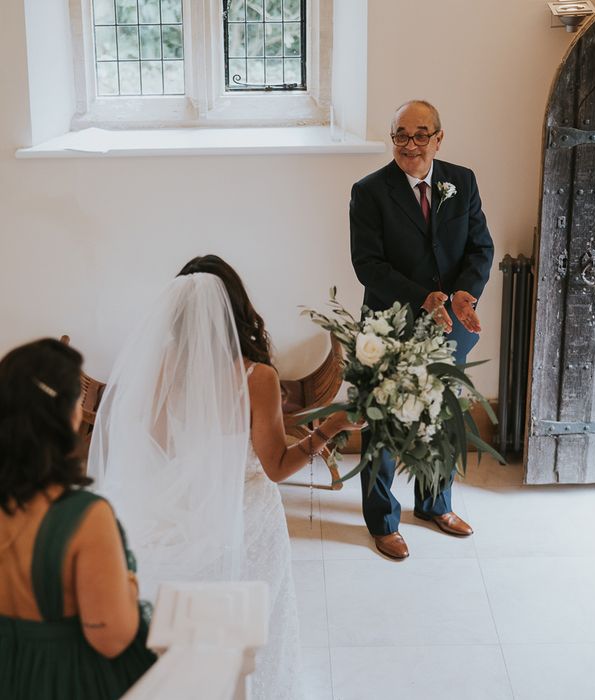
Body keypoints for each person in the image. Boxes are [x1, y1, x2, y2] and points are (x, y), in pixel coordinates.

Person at [88, 254, 359, 699]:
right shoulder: (258, 377)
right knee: (254, 627)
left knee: (190, 631)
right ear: (238, 308)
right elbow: (274, 468)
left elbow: (157, 452)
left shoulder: (158, 371)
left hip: (180, 516)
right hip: (248, 521)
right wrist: (329, 429)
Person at [350, 99, 494, 560]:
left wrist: (465, 293)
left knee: (442, 414)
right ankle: (382, 520)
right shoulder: (369, 191)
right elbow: (367, 265)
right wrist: (422, 297)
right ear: (391, 137)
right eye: (400, 135)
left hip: (451, 325)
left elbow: (480, 248)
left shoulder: (462, 181)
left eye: (419, 135)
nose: (409, 145)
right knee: (384, 420)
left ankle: (435, 504)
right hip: (389, 325)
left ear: (438, 138)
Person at [0, 339, 156, 700]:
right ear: (69, 414)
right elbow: (112, 639)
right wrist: (128, 581)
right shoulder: (84, 517)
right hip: (63, 682)